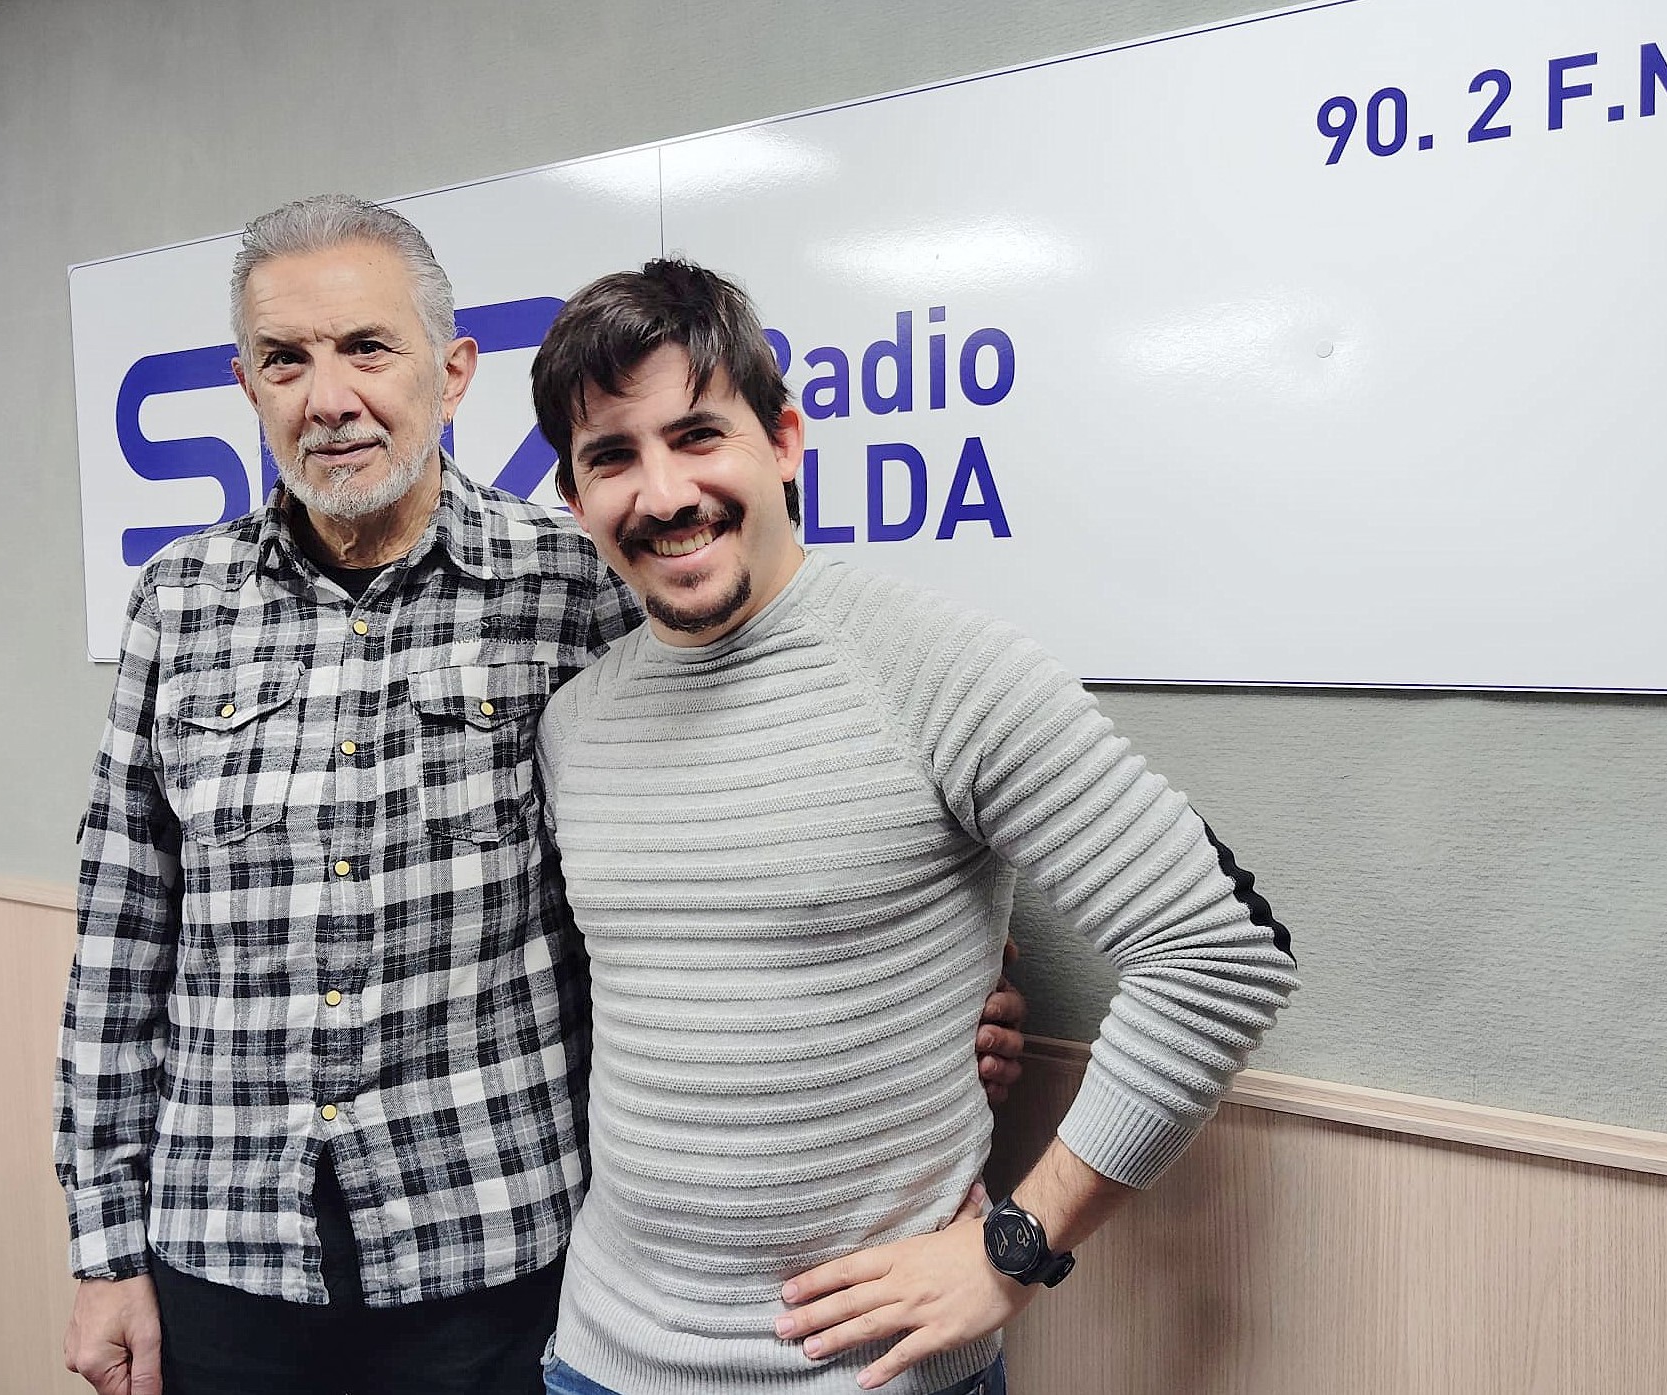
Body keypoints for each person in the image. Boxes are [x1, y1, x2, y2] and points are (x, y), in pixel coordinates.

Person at [53, 192, 1030, 1395]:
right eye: (285, 360)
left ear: (451, 370)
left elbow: (778, 783)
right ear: (246, 385)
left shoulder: (580, 578)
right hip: (223, 1254)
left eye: (368, 347)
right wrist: (103, 1249)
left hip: (503, 1252)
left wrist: (947, 1005)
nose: (330, 397)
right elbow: (122, 938)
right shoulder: (179, 601)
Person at [528, 259, 1301, 1395]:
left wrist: (1017, 1250)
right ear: (575, 493)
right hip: (595, 1362)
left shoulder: (940, 668)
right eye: (613, 457)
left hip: (864, 1378)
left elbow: (1220, 956)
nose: (662, 492)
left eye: (698, 435)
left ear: (783, 441)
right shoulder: (575, 724)